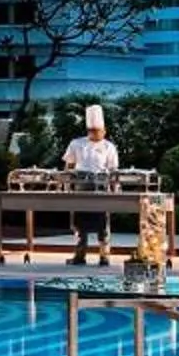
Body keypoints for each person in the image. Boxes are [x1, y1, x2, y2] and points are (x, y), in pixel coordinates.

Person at [60, 103, 122, 263]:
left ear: (104, 131)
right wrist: (66, 185)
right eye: (92, 131)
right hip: (80, 186)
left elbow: (114, 170)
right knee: (79, 223)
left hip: (101, 187)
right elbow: (69, 166)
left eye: (98, 131)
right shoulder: (76, 143)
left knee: (103, 222)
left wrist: (116, 190)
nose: (94, 134)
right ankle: (80, 255)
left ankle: (104, 256)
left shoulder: (109, 147)